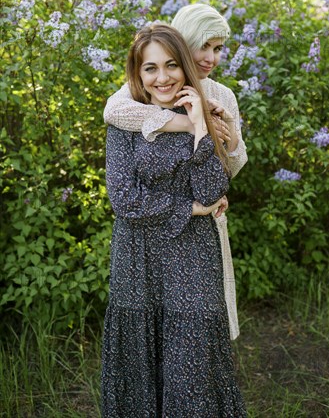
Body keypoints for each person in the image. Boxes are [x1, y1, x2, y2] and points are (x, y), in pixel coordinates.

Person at [101, 23, 247, 416]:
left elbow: (209, 190)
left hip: (193, 254)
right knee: (141, 357)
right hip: (139, 255)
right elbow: (125, 199)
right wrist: (188, 209)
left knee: (193, 358)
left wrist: (201, 126)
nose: (162, 77)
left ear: (184, 67)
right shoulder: (127, 120)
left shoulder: (205, 112)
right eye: (151, 68)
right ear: (138, 73)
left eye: (170, 66)